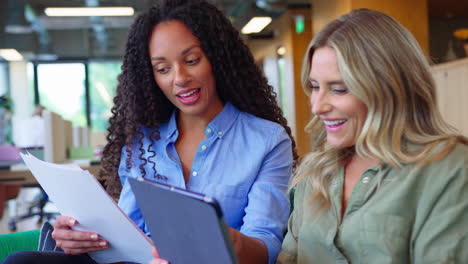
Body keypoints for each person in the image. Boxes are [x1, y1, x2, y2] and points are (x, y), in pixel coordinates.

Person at [2, 0, 297, 264]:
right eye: (162, 68)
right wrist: (82, 238)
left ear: (217, 59)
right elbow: (128, 235)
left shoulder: (267, 141)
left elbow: (266, 246)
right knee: (22, 261)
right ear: (151, 76)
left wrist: (229, 243)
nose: (179, 78)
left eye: (192, 61)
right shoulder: (142, 142)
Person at [274, 8, 468, 264]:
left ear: (389, 89)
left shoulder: (448, 168)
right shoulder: (315, 171)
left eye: (339, 89)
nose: (317, 106)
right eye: (314, 86)